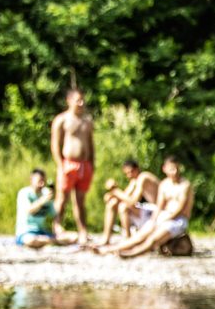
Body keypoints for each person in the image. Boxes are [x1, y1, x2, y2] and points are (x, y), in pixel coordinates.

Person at [97, 155, 193, 258]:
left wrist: (115, 191)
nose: (174, 172)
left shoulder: (184, 185)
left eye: (175, 169)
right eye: (171, 169)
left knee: (153, 239)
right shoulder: (164, 184)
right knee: (141, 235)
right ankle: (110, 248)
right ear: (164, 169)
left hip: (177, 219)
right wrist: (154, 220)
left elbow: (180, 208)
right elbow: (160, 206)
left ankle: (131, 253)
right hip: (162, 215)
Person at [50, 88, 95, 244]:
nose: (81, 103)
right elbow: (55, 145)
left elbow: (91, 144)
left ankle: (83, 230)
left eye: (82, 100)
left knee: (80, 201)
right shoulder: (62, 120)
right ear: (69, 101)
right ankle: (55, 227)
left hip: (85, 164)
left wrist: (92, 164)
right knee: (62, 198)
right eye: (78, 100)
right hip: (68, 163)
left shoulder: (87, 121)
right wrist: (60, 165)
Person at [96, 159, 160, 246]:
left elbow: (132, 201)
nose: (129, 175)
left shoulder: (144, 177)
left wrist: (115, 191)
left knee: (123, 207)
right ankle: (106, 238)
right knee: (113, 203)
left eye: (131, 172)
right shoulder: (134, 181)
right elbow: (123, 197)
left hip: (158, 212)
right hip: (148, 212)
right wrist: (111, 193)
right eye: (127, 173)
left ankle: (128, 239)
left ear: (137, 169)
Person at [14, 169, 58, 248]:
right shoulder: (24, 193)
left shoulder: (46, 193)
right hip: (26, 232)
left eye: (44, 181)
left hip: (42, 232)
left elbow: (54, 214)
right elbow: (29, 210)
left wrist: (57, 227)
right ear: (31, 180)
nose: (42, 184)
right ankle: (52, 241)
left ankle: (49, 241)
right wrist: (43, 200)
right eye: (39, 181)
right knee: (30, 240)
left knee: (73, 237)